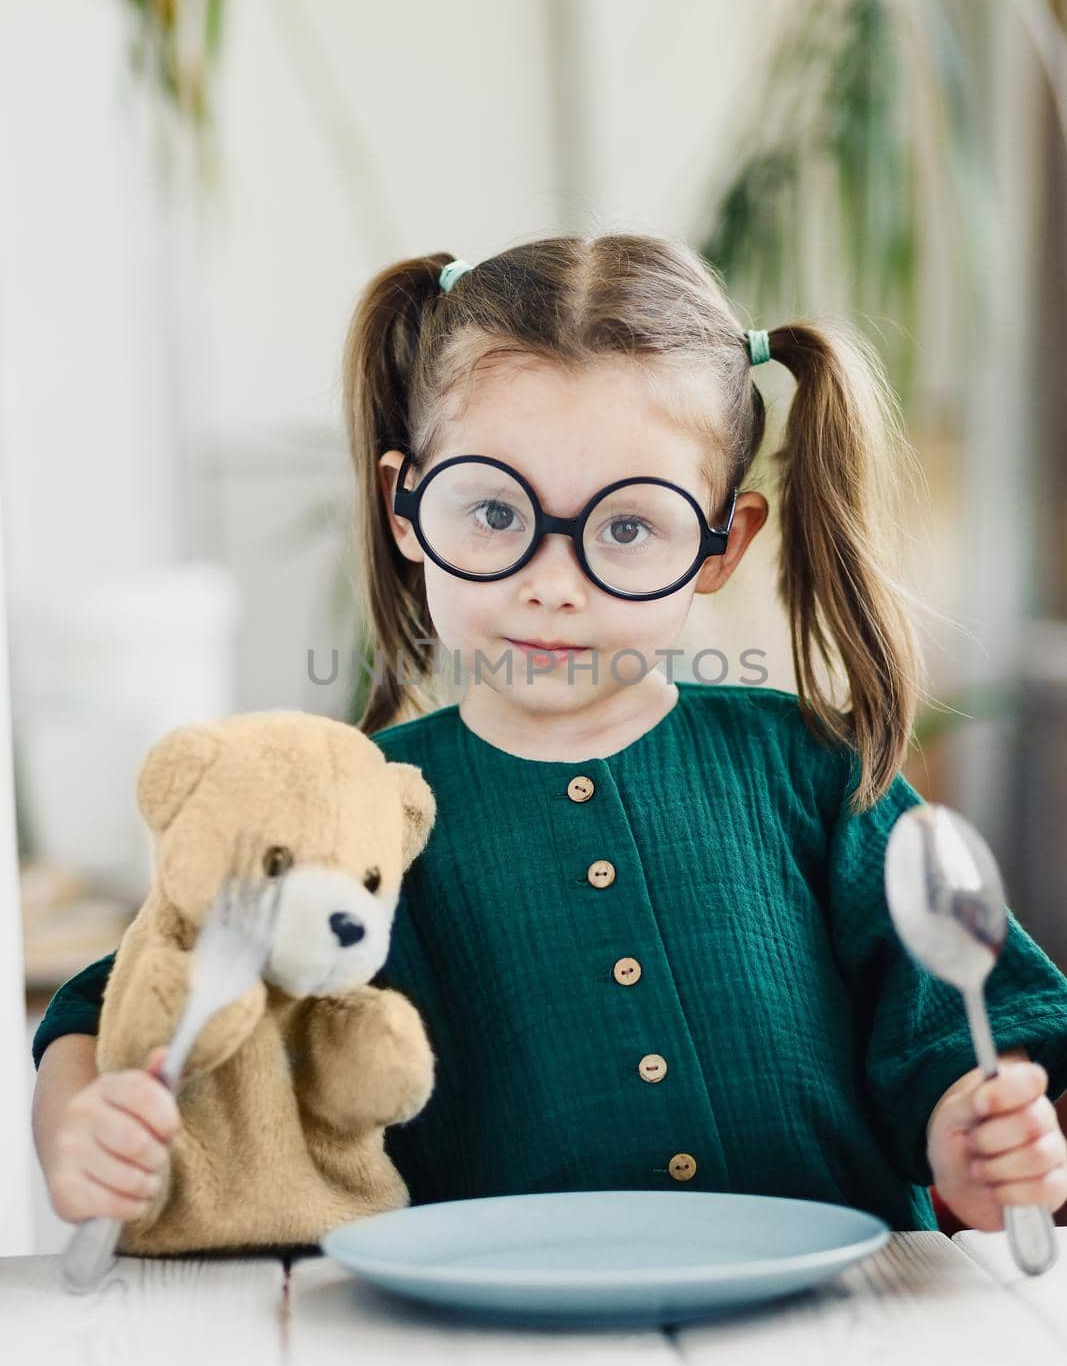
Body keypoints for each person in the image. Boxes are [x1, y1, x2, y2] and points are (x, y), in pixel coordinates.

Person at [30, 235, 1067, 1239]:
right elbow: (112, 999)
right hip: (486, 1356)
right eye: (491, 511)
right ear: (405, 508)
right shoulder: (345, 808)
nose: (550, 583)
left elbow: (955, 1033)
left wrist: (971, 1145)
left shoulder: (811, 769)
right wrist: (83, 1126)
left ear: (719, 544)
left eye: (626, 527)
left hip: (838, 1332)